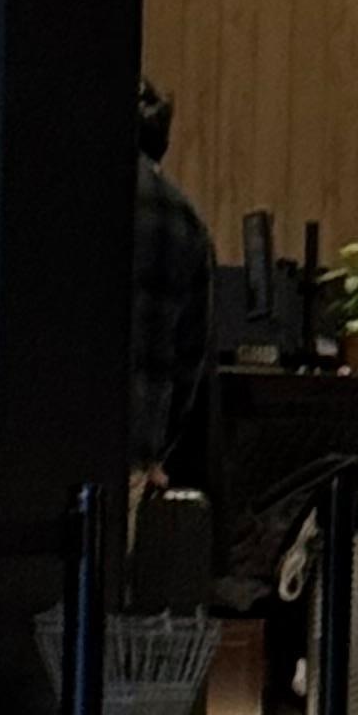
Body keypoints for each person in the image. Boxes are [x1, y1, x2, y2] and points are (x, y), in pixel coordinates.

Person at [130, 76, 216, 494]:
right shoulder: (185, 219)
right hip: (134, 445)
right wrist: (156, 449)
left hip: (43, 432)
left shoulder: (61, 187)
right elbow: (190, 359)